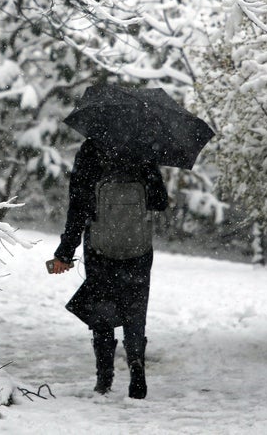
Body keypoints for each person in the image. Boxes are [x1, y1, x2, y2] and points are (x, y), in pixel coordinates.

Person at [47, 139, 167, 398]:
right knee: (135, 308)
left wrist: (65, 252)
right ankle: (136, 363)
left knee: (102, 310)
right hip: (138, 248)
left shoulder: (91, 150)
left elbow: (77, 207)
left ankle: (104, 377)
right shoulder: (144, 150)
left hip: (100, 248)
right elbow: (160, 201)